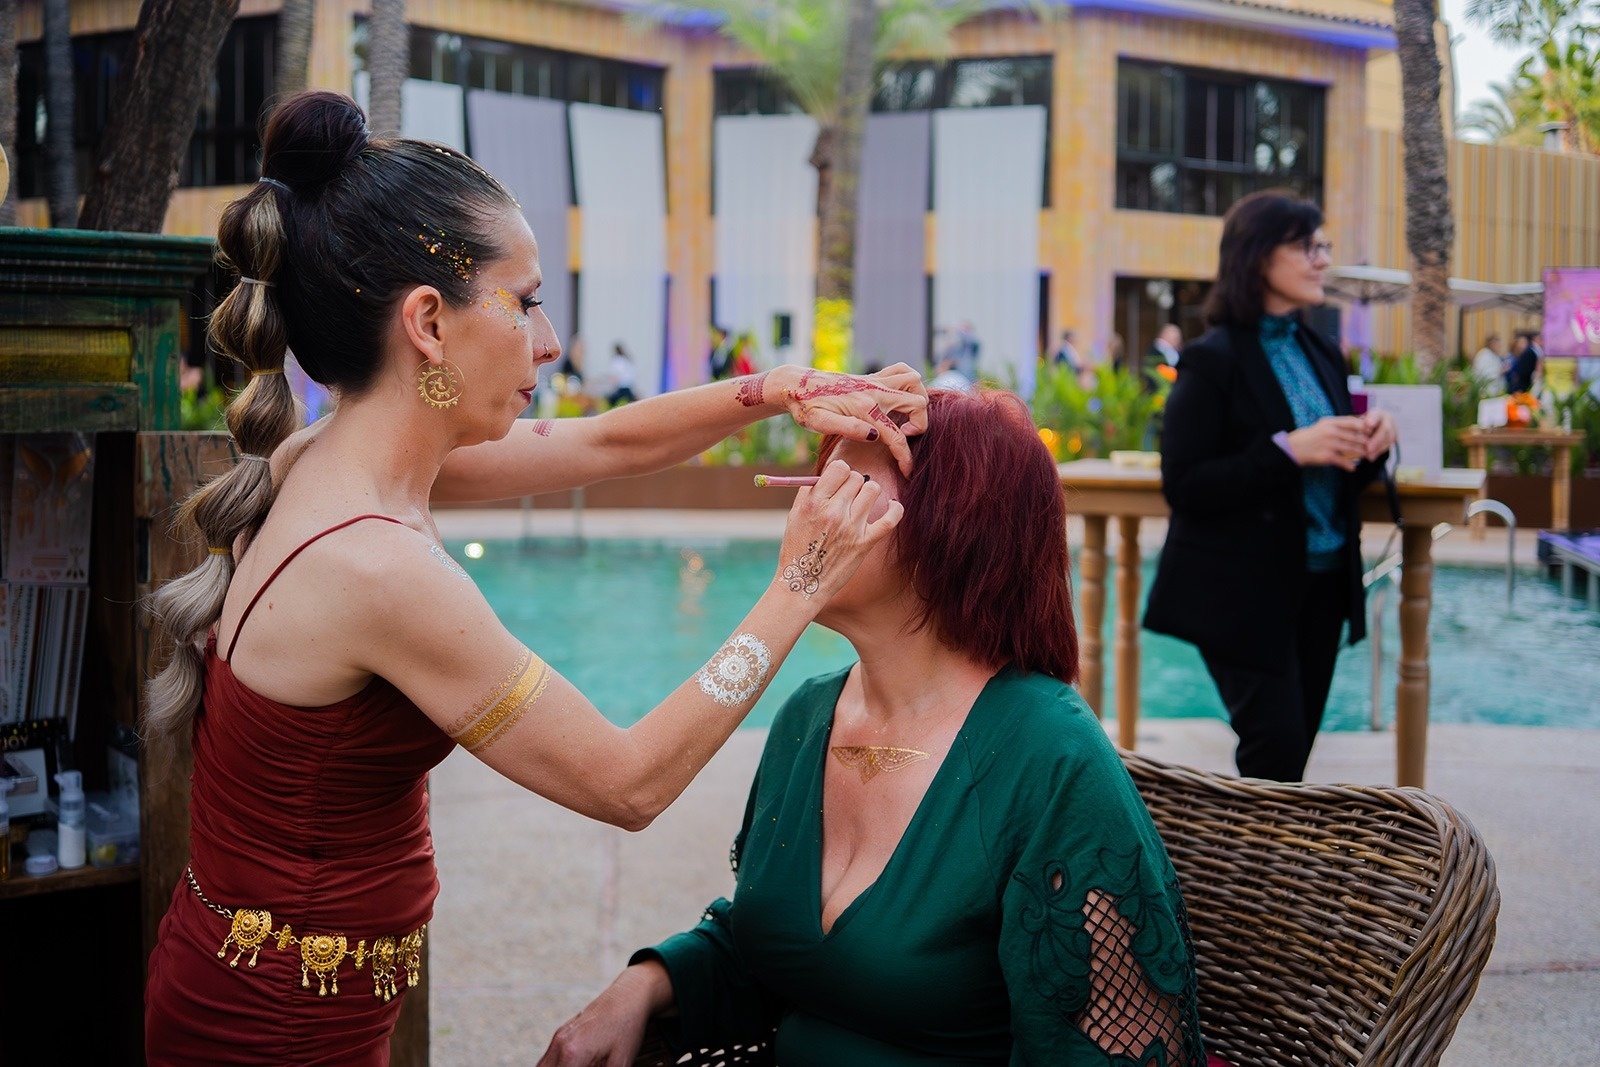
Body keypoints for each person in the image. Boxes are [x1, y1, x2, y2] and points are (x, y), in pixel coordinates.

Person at [140, 90, 931, 1065]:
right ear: (428, 322)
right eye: (523, 302)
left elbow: (603, 441)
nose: (550, 341)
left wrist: (781, 389)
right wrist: (799, 584)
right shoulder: (377, 565)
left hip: (257, 984)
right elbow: (628, 781)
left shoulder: (336, 459)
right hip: (277, 1029)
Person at [540, 389, 1207, 1067]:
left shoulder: (1049, 754)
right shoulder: (808, 715)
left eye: (849, 484)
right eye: (818, 477)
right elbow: (772, 953)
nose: (810, 507)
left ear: (957, 522)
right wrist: (644, 984)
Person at [1144, 191, 1397, 783]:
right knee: (1275, 747)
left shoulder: (1321, 350)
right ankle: (1243, 847)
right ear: (1258, 256)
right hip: (1246, 590)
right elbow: (1185, 483)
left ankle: (1257, 848)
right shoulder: (1211, 360)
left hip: (1324, 583)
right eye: (1307, 246)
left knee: (1291, 754)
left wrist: (1372, 443)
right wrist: (1288, 450)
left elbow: (1338, 468)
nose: (1322, 259)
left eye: (1323, 246)